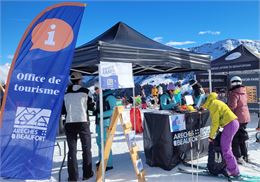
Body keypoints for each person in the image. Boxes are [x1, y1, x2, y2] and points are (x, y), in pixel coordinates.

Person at [63, 72, 93, 181]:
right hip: (83, 121)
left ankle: (73, 177)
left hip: (69, 122)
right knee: (86, 148)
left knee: (72, 150)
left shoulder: (65, 93)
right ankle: (87, 173)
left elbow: (62, 110)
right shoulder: (86, 92)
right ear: (80, 80)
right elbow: (92, 107)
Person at [203, 92, 240, 177]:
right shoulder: (216, 102)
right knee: (226, 148)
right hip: (231, 123)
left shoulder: (213, 105)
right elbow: (219, 120)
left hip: (230, 124)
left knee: (226, 149)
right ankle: (231, 168)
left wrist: (211, 137)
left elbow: (215, 123)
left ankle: (234, 171)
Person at [227, 76, 251, 163]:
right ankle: (245, 154)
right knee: (242, 137)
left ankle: (238, 156)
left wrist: (226, 109)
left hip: (237, 118)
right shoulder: (243, 92)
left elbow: (232, 106)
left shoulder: (234, 93)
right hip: (245, 117)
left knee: (235, 138)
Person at [94, 86, 117, 171]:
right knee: (99, 143)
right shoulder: (101, 97)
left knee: (105, 143)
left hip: (105, 123)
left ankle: (108, 163)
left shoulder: (110, 97)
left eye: (97, 88)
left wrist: (100, 114)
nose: (95, 90)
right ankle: (102, 161)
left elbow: (114, 110)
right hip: (99, 123)